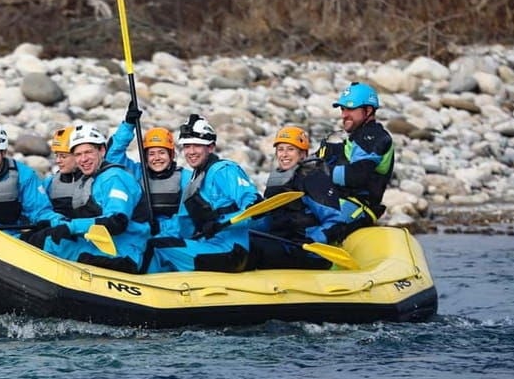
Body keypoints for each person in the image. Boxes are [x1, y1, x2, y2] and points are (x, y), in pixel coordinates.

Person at [144, 114, 261, 273]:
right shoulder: (193, 181)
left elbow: (253, 204)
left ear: (210, 147)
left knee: (156, 248)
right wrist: (150, 229)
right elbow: (183, 225)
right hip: (207, 244)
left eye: (197, 146)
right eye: (187, 146)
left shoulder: (224, 170)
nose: (191, 151)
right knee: (151, 242)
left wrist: (221, 223)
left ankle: (149, 290)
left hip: (231, 251)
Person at [27, 123, 151, 273]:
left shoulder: (115, 178)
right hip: (101, 244)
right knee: (33, 237)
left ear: (102, 150)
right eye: (78, 154)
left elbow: (117, 221)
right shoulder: (92, 179)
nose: (83, 159)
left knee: (49, 242)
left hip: (124, 253)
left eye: (88, 152)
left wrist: (70, 227)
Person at [247, 126, 347, 270]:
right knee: (240, 240)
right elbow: (271, 218)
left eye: (290, 149)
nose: (284, 154)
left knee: (254, 248)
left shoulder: (313, 178)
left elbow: (336, 222)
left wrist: (312, 240)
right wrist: (246, 226)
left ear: (302, 154)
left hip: (308, 251)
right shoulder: (277, 178)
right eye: (281, 149)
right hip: (282, 241)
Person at [318, 82, 395, 233]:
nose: (344, 115)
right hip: (332, 200)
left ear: (368, 110)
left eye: (351, 109)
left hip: (357, 207)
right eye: (343, 109)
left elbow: (357, 176)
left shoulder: (375, 137)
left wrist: (319, 172)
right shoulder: (349, 140)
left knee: (316, 232)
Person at [105, 110, 191, 235]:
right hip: (141, 231)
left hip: (171, 234)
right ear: (145, 157)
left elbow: (187, 219)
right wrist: (128, 125)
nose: (157, 158)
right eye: (151, 154)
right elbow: (112, 157)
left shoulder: (185, 178)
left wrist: (159, 227)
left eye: (162, 152)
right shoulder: (137, 173)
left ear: (171, 154)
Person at [42, 125, 80, 216]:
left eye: (63, 156)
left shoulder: (97, 179)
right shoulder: (50, 182)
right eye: (57, 156)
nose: (58, 161)